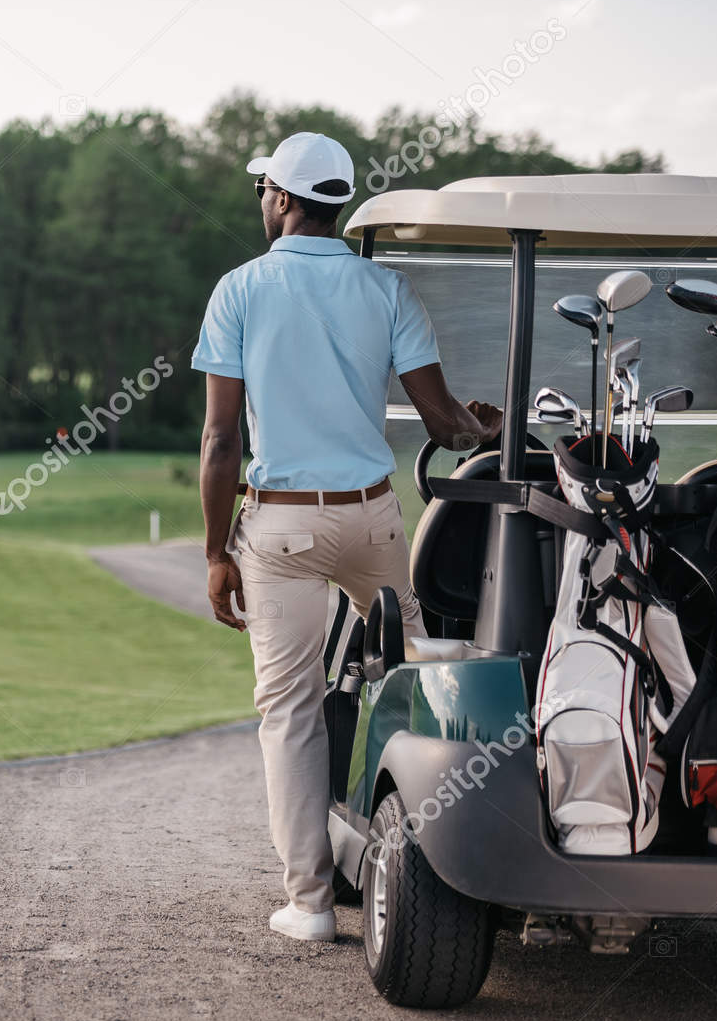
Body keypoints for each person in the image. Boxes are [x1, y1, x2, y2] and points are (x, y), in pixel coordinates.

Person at [192, 132, 501, 943]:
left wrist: (216, 552)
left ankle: (311, 905)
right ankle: (442, 869)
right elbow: (443, 422)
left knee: (289, 710)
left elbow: (222, 442)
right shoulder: (387, 288)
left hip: (281, 527)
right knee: (425, 680)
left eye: (265, 188)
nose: (262, 199)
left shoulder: (239, 289)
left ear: (285, 200)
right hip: (371, 518)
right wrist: (481, 424)